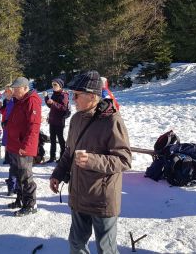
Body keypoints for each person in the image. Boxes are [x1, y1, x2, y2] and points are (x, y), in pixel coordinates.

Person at [49, 71, 132, 254]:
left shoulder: (112, 120)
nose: (73, 99)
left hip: (102, 197)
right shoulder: (76, 118)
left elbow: (124, 159)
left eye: (77, 95)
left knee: (106, 249)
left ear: (92, 96)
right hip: (79, 194)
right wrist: (57, 174)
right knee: (76, 244)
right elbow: (69, 151)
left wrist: (93, 160)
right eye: (72, 95)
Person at [6, 77, 41, 216]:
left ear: (25, 88)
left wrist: (26, 145)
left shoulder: (31, 101)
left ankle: (31, 204)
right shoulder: (19, 101)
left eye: (16, 89)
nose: (13, 91)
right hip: (15, 145)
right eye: (13, 89)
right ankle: (20, 199)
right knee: (17, 173)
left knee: (26, 176)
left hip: (23, 147)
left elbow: (34, 126)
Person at [44, 78, 69, 163]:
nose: (53, 86)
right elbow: (51, 106)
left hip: (59, 120)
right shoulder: (54, 94)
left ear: (60, 86)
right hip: (52, 120)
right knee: (52, 139)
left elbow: (63, 108)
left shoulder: (64, 95)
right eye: (52, 85)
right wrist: (46, 97)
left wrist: (53, 102)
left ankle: (62, 156)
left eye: (55, 85)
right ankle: (52, 157)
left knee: (60, 139)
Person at [0, 84, 15, 195]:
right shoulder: (8, 101)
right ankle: (12, 185)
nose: (5, 93)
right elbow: (5, 113)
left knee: (16, 163)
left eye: (7, 91)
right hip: (7, 129)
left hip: (13, 132)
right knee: (13, 163)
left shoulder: (15, 102)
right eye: (5, 91)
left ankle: (14, 185)